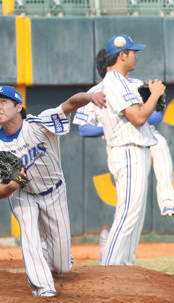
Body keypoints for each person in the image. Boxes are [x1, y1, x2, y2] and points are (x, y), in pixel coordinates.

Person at [0, 85, 105, 297]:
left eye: (3, 102)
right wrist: (11, 186)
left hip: (54, 190)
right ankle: (43, 288)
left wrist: (91, 96)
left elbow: (70, 104)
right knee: (29, 235)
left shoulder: (39, 124)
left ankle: (50, 256)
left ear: (19, 107)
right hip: (23, 194)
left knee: (62, 265)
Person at [87, 35, 166, 266]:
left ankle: (125, 268)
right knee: (127, 215)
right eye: (133, 52)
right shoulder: (113, 81)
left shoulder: (120, 81)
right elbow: (139, 117)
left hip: (136, 150)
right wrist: (154, 95)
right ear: (122, 55)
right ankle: (108, 269)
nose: (136, 56)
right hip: (127, 151)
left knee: (136, 216)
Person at [73, 48, 174, 218]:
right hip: (121, 145)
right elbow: (83, 128)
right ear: (110, 65)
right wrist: (114, 125)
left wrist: (138, 116)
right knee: (129, 204)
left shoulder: (137, 84)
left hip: (147, 136)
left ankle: (167, 201)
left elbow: (156, 116)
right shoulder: (94, 93)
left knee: (160, 143)